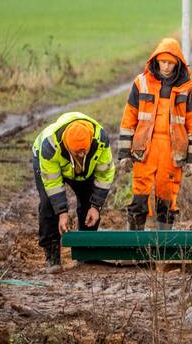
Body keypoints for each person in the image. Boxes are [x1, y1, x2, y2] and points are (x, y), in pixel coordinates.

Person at [116, 37, 192, 230]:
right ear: (156, 61)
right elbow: (128, 120)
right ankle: (135, 245)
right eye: (163, 62)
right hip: (144, 151)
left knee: (167, 198)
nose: (166, 67)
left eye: (170, 63)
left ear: (177, 64)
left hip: (172, 153)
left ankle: (163, 245)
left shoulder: (188, 88)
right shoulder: (141, 83)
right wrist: (123, 155)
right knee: (139, 197)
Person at [32, 112, 115, 273]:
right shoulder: (50, 146)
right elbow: (53, 184)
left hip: (84, 170)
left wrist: (96, 206)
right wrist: (62, 212)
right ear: (68, 146)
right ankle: (52, 254)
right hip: (48, 162)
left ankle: (85, 251)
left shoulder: (100, 140)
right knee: (49, 205)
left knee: (88, 201)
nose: (81, 155)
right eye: (77, 153)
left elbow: (105, 174)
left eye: (84, 151)